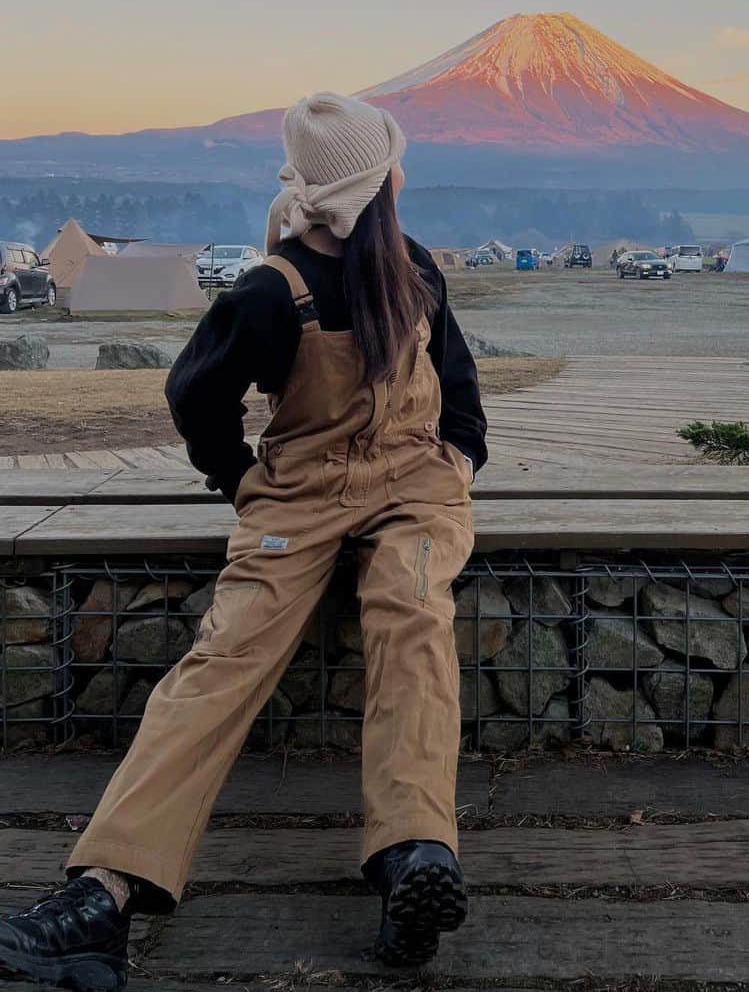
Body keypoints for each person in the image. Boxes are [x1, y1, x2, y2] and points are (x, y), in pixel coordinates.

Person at [0, 93, 487, 989]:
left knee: (227, 663)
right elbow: (452, 379)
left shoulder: (311, 279)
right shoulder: (343, 275)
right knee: (415, 626)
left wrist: (247, 483)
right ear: (384, 180)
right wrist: (451, 453)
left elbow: (197, 399)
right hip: (362, 490)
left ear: (305, 184)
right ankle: (412, 854)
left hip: (363, 489)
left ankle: (104, 894)